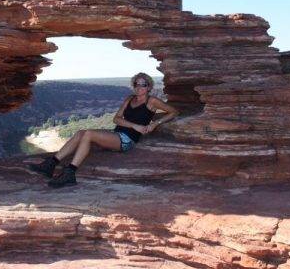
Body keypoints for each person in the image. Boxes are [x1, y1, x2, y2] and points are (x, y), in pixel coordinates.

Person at [28, 72, 179, 188]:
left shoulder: (152, 101)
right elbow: (116, 119)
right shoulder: (129, 99)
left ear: (149, 87)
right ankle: (51, 164)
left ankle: (70, 173)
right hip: (116, 133)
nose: (139, 87)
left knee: (88, 134)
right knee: (81, 132)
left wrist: (155, 123)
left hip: (127, 140)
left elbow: (174, 112)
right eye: (136, 84)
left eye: (143, 84)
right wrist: (134, 125)